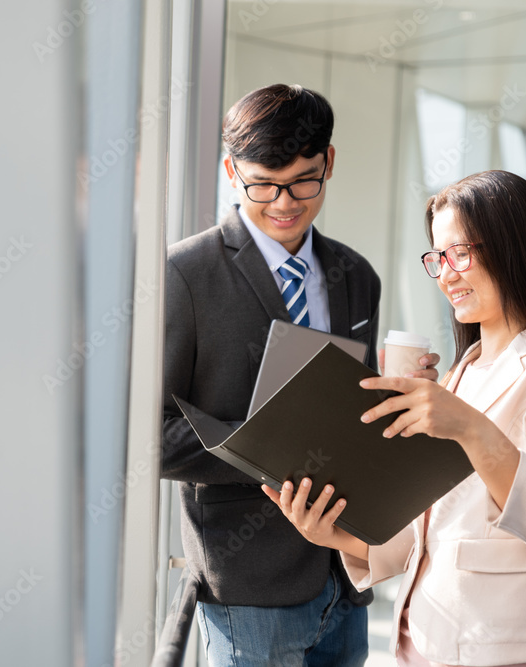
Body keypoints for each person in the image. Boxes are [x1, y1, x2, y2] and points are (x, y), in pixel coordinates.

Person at [265, 169, 526, 667]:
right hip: (424, 643)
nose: (446, 274)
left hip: (508, 648)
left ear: (513, 247)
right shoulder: (459, 375)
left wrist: (470, 427)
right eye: (437, 258)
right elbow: (427, 535)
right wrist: (333, 535)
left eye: (460, 253)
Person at [161, 83, 439, 666]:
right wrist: (271, 450)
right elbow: (147, 434)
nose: (285, 202)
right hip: (249, 584)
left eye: (304, 181)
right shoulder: (184, 276)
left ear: (329, 162)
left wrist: (406, 401)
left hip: (345, 576)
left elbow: (354, 411)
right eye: (263, 184)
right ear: (232, 170)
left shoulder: (356, 275)